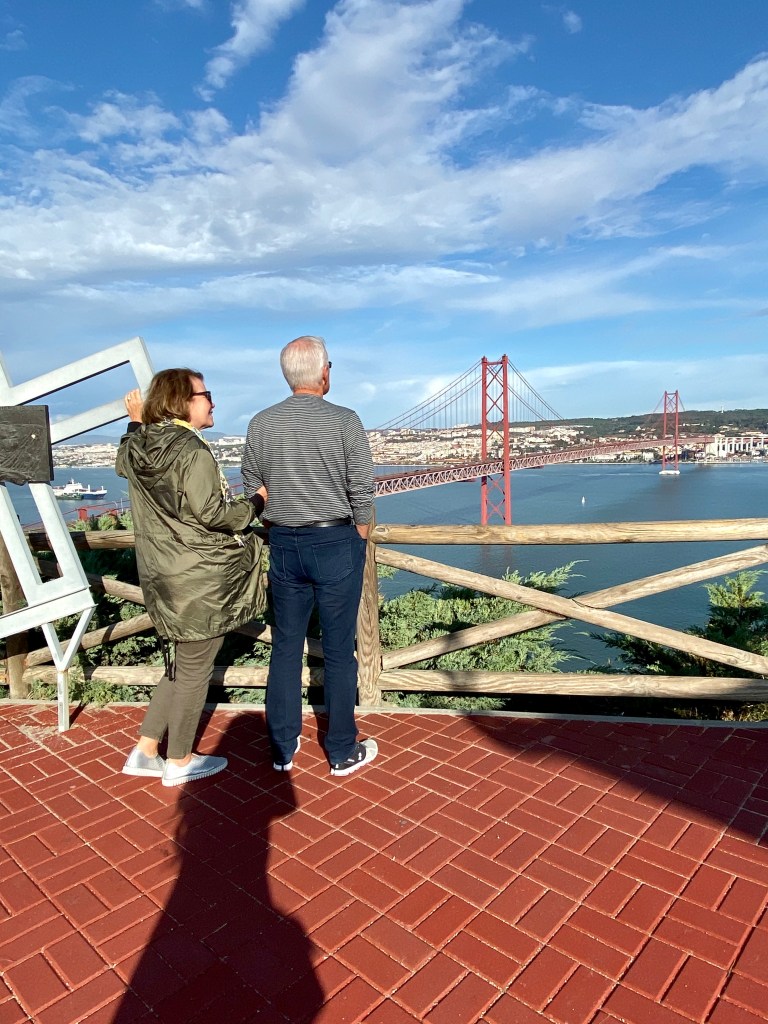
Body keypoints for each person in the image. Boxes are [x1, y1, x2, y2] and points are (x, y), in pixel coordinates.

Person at [117, 369, 267, 786]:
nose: (213, 402)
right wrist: (257, 501)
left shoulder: (139, 444)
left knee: (182, 663)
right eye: (206, 394)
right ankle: (180, 760)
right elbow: (215, 514)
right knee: (195, 670)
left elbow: (125, 460)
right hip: (199, 577)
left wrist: (135, 422)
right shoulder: (193, 450)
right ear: (183, 401)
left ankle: (146, 750)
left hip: (163, 575)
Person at [241, 336, 377, 777]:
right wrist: (358, 537)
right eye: (330, 365)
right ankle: (340, 749)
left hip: (283, 544)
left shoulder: (261, 423)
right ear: (322, 372)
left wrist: (275, 525)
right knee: (338, 650)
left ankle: (282, 747)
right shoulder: (346, 421)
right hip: (335, 542)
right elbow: (362, 488)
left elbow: (252, 485)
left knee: (285, 646)